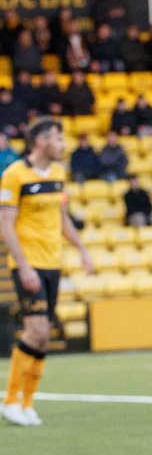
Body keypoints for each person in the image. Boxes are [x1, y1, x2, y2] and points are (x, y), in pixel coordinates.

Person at [2, 118, 94, 426]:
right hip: (28, 265)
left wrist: (82, 249)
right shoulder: (14, 176)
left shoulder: (58, 174)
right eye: (58, 139)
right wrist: (23, 266)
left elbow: (63, 218)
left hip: (53, 263)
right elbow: (5, 225)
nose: (63, 144)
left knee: (43, 339)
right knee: (37, 332)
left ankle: (27, 403)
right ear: (40, 141)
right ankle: (11, 400)